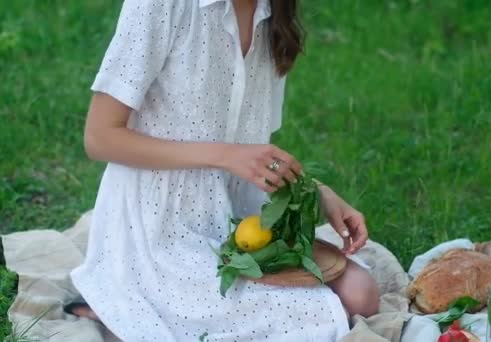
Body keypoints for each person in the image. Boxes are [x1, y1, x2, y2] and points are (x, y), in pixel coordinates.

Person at [68, 0, 379, 341]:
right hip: (157, 229)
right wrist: (225, 155)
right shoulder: (159, 5)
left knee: (361, 293)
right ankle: (124, 302)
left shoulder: (273, 13)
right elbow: (99, 137)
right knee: (313, 316)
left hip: (237, 220)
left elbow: (250, 151)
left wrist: (316, 192)